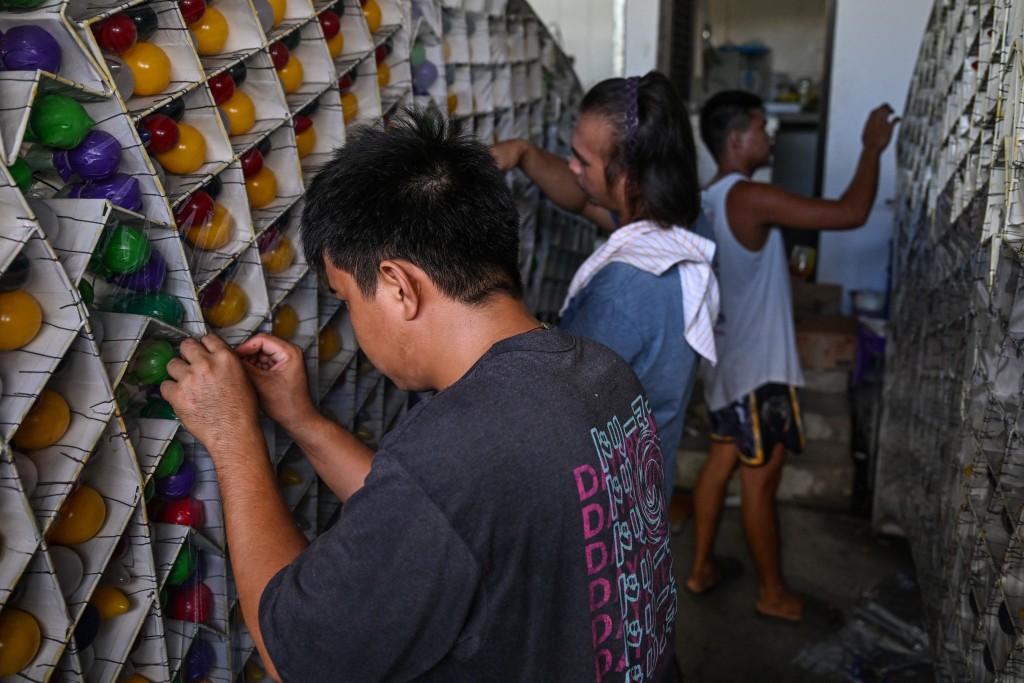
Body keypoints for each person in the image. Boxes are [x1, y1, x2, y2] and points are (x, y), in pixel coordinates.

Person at [160, 109, 680, 682]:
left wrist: (233, 436)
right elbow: (441, 521)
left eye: (346, 299)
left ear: (397, 286)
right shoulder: (601, 375)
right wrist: (300, 418)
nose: (353, 324)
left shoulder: (459, 449)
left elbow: (298, 656)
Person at [687, 90, 899, 622]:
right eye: (761, 125)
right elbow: (850, 214)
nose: (770, 135)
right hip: (759, 372)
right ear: (736, 139)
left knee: (720, 463)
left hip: (724, 363)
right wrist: (872, 148)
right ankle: (772, 593)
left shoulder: (705, 199)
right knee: (761, 482)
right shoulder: (748, 198)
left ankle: (700, 569)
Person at [491, 71, 719, 503]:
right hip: (646, 492)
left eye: (582, 160)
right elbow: (582, 198)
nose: (572, 168)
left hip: (602, 507)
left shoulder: (622, 291)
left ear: (629, 179)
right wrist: (523, 154)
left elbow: (554, 407)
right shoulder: (683, 224)